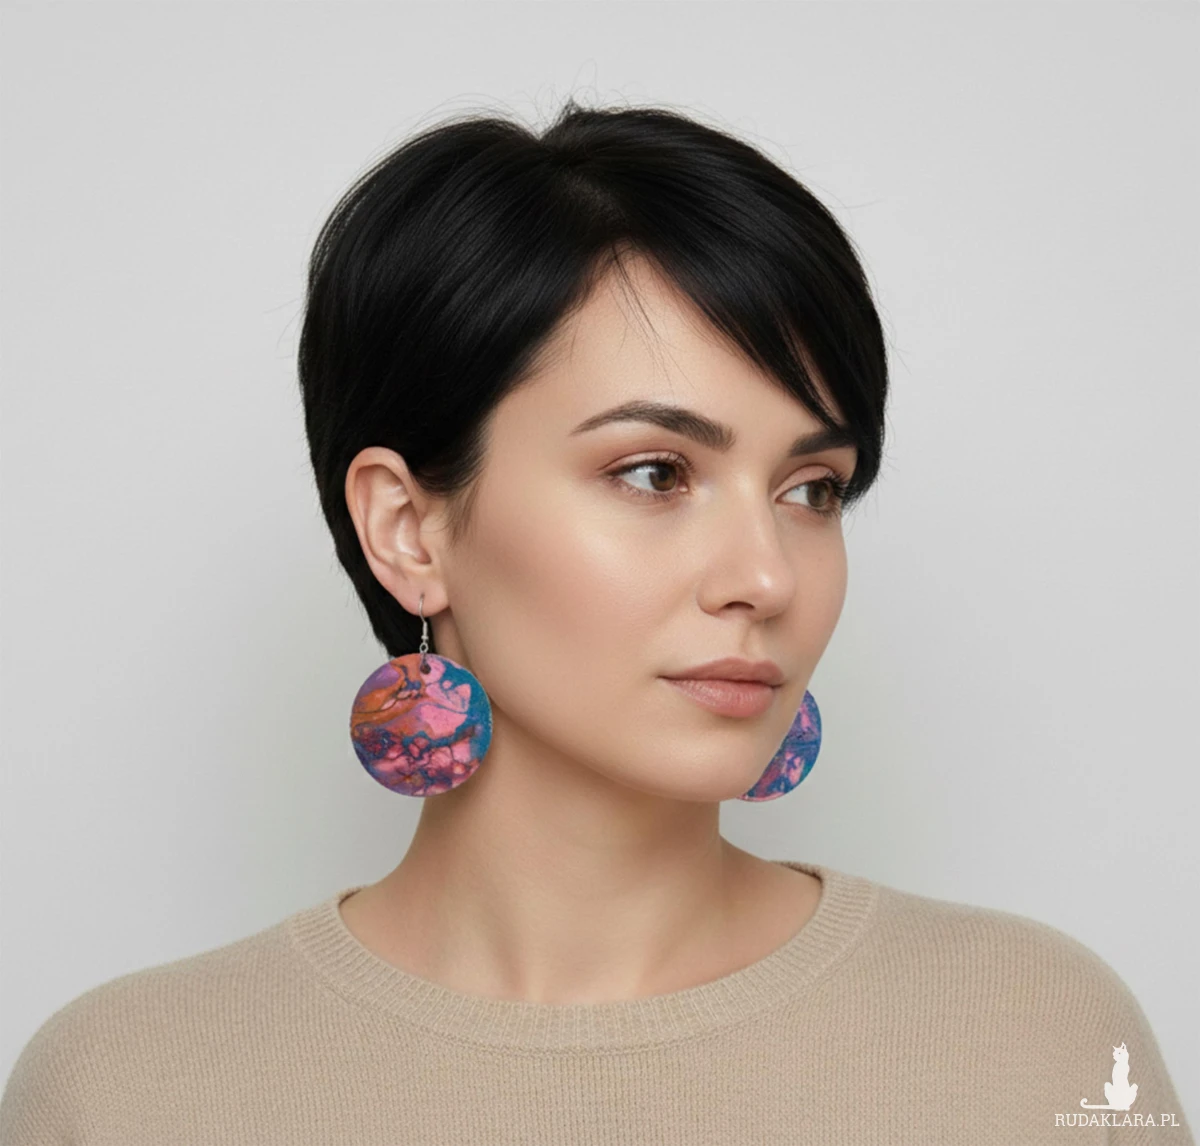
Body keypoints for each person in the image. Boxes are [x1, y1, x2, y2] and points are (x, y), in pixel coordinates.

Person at [0, 99, 1191, 1146]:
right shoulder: (128, 1091)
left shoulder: (1039, 1039)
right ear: (409, 530)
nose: (766, 575)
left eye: (812, 490)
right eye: (654, 473)